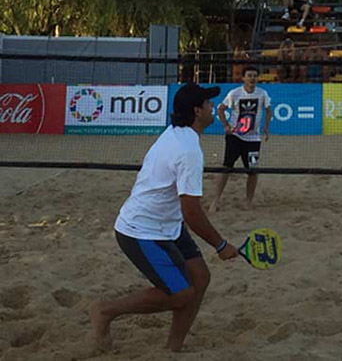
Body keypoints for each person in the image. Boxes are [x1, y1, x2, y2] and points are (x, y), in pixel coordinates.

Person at [89, 83, 238, 353]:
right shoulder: (188, 150)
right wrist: (220, 244)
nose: (211, 106)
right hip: (140, 230)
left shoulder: (179, 133)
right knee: (180, 294)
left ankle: (173, 347)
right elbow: (191, 212)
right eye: (207, 102)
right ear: (197, 111)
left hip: (166, 224)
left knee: (200, 278)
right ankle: (105, 311)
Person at [211, 66, 272, 211]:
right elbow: (220, 109)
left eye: (254, 76)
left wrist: (266, 127)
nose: (252, 79)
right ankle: (215, 201)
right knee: (226, 167)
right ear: (243, 78)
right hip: (235, 136)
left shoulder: (262, 94)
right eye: (249, 76)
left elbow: (268, 110)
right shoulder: (235, 93)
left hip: (253, 139)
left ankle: (248, 201)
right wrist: (226, 125)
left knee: (252, 170)